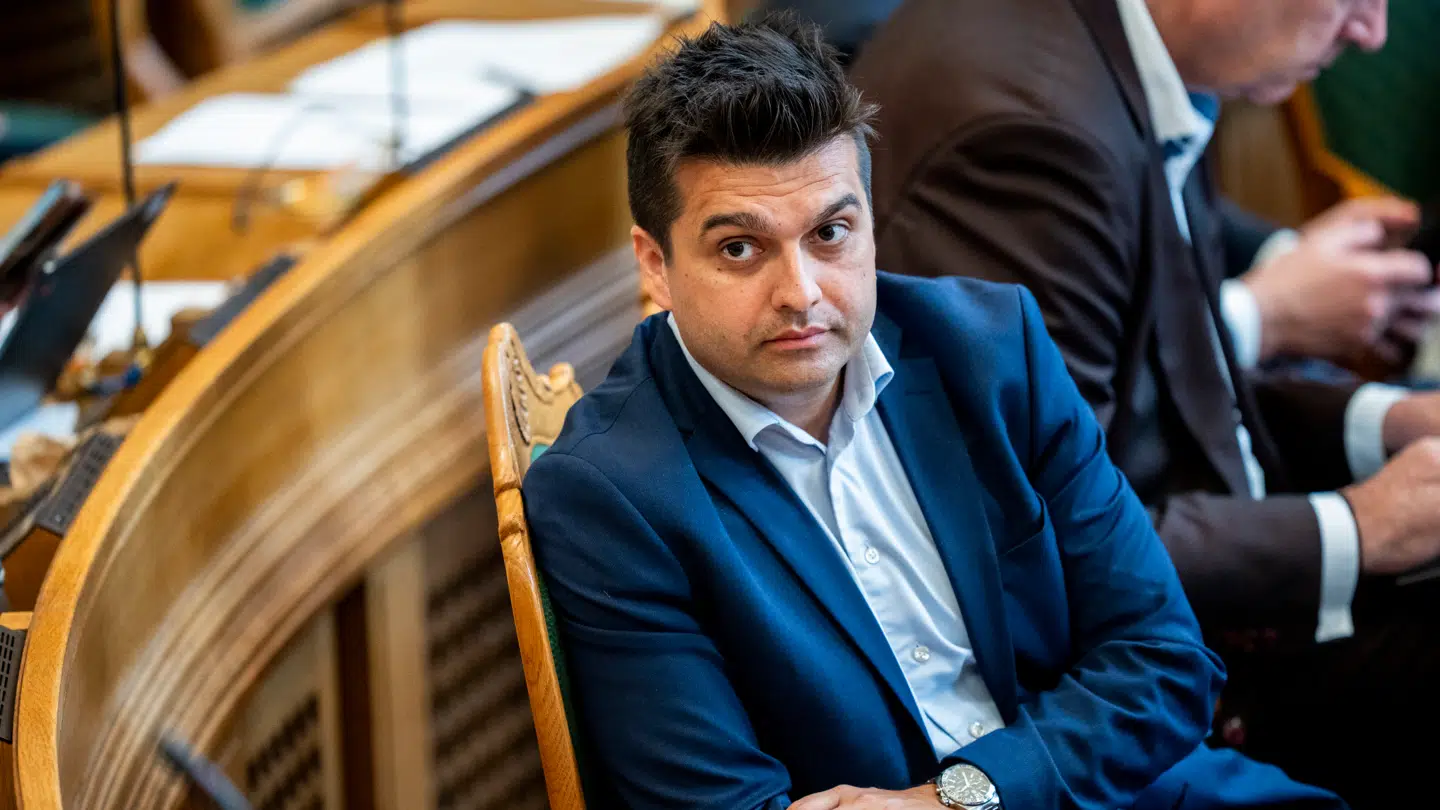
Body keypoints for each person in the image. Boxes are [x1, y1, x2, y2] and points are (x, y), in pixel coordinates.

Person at [522, 16, 1348, 810]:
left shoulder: (991, 350)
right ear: (656, 266)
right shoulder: (612, 495)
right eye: (740, 248)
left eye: (832, 233)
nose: (801, 293)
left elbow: (1167, 663)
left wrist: (965, 798)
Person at [847, 0, 1440, 805]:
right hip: (1154, 687)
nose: (1371, 33)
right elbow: (1053, 544)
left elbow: (1180, 375)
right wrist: (1364, 528)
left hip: (1215, 540)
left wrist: (1387, 421)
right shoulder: (1032, 132)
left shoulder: (1128, 56)